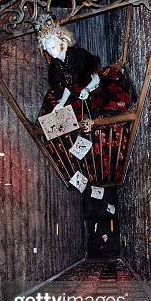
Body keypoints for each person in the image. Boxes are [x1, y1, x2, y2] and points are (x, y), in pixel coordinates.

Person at [35, 15, 134, 180]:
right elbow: (67, 85)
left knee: (98, 128)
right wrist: (62, 103)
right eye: (47, 49)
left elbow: (95, 76)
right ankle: (80, 174)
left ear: (63, 41)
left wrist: (86, 89)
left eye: (53, 47)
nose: (51, 52)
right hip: (77, 96)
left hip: (95, 89)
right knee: (58, 128)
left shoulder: (78, 55)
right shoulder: (56, 64)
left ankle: (104, 174)